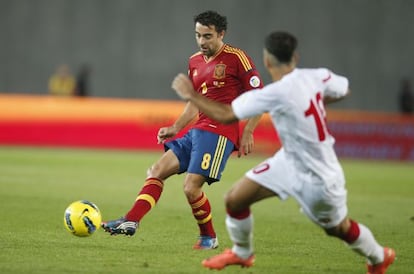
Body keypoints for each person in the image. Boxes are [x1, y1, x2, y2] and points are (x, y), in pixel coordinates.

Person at [172, 31, 395, 273]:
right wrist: (313, 99)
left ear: (267, 62)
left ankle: (379, 256)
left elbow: (226, 115)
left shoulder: (274, 94)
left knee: (338, 228)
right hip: (288, 162)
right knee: (235, 199)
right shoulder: (316, 77)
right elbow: (344, 89)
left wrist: (191, 95)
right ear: (295, 57)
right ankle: (242, 253)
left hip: (318, 176)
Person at [101, 10, 263, 250]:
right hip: (196, 130)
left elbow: (260, 96)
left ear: (221, 34)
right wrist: (176, 127)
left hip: (220, 132)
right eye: (198, 35)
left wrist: (248, 131)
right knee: (156, 170)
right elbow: (194, 101)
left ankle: (208, 238)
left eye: (207, 36)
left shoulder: (237, 57)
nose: (202, 41)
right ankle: (131, 220)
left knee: (190, 187)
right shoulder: (195, 61)